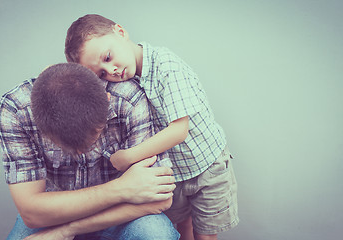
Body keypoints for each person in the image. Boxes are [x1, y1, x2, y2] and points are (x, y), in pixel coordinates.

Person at [65, 14, 239, 240]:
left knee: (204, 233)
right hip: (175, 170)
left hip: (207, 164)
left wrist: (128, 157)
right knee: (180, 226)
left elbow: (179, 130)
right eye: (101, 73)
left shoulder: (166, 66)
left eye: (108, 57)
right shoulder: (124, 79)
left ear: (120, 32)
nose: (112, 71)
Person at [0, 62, 179, 239]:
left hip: (120, 213)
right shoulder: (15, 109)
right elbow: (32, 212)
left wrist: (69, 229)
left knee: (156, 234)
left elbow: (161, 200)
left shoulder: (127, 98)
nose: (81, 152)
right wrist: (121, 188)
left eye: (95, 135)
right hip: (55, 214)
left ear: (107, 101)